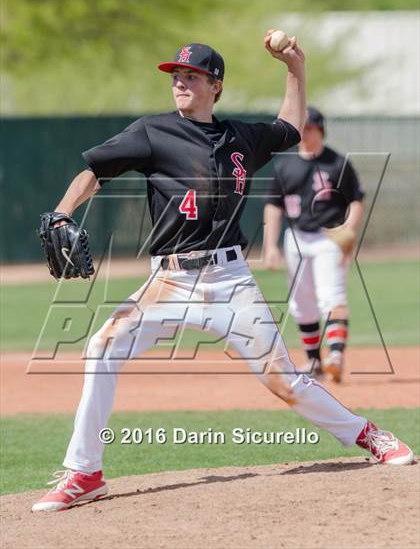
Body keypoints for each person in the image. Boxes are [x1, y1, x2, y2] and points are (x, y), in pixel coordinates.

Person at [32, 33, 413, 513]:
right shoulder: (152, 132)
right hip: (169, 282)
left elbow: (289, 127)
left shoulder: (240, 139)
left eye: (192, 76)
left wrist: (295, 68)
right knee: (101, 347)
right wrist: (64, 211)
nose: (181, 82)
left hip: (231, 282)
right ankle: (84, 473)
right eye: (177, 76)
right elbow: (95, 171)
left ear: (216, 86)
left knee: (286, 381)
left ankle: (368, 434)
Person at [263, 107, 365, 382]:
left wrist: (349, 229)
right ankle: (314, 362)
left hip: (329, 238)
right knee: (302, 303)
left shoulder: (336, 163)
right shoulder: (285, 166)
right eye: (302, 128)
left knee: (332, 296)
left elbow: (356, 198)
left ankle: (336, 355)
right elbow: (274, 206)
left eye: (310, 128)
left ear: (321, 130)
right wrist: (270, 246)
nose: (305, 133)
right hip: (296, 239)